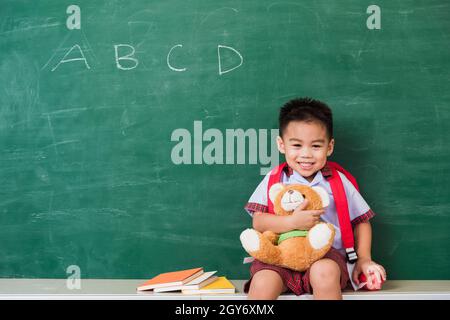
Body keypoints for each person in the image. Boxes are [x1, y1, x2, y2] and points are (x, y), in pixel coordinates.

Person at [243, 97, 386, 300]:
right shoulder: (275, 179)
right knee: (263, 282)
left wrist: (364, 258)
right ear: (281, 145)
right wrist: (292, 222)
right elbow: (258, 222)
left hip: (325, 255)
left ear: (330, 147)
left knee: (325, 273)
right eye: (297, 145)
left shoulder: (338, 181)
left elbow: (362, 222)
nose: (306, 154)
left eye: (316, 146)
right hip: (280, 255)